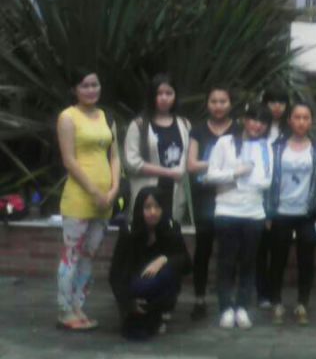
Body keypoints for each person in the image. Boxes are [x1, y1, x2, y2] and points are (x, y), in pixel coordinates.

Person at [56, 69, 121, 331]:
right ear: (75, 89)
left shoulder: (107, 116)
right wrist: (94, 191)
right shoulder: (68, 117)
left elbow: (114, 156)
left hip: (105, 199)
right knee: (72, 255)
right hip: (80, 198)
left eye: (95, 84)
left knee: (89, 255)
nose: (91, 90)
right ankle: (65, 310)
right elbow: (69, 160)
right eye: (85, 85)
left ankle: (78, 305)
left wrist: (114, 189)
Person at [206, 103, 273, 330]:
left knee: (248, 262)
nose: (257, 125)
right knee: (226, 262)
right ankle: (226, 307)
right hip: (227, 210)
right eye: (253, 119)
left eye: (263, 122)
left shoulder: (267, 146)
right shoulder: (225, 143)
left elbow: (267, 180)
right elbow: (211, 175)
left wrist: (251, 179)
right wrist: (236, 172)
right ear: (244, 120)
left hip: (254, 213)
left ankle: (242, 306)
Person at [266, 101, 316, 326]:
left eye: (306, 118)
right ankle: (276, 302)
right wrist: (268, 212)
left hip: (308, 212)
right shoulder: (276, 148)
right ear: (289, 120)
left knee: (306, 260)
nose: (301, 122)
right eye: (297, 117)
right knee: (278, 259)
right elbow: (268, 181)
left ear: (311, 121)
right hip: (281, 211)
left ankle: (302, 303)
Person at [109, 187, 188, 340]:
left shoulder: (171, 227)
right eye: (147, 207)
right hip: (134, 284)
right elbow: (115, 273)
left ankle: (159, 311)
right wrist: (127, 302)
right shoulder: (129, 231)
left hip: (160, 284)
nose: (153, 212)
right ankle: (138, 313)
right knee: (135, 331)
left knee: (168, 269)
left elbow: (186, 262)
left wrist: (163, 259)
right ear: (140, 209)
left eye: (157, 207)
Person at [186, 85, 236, 320]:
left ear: (230, 104)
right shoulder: (197, 130)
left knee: (229, 249)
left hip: (231, 196)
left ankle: (228, 298)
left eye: (223, 101)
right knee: (203, 249)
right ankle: (199, 298)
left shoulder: (239, 130)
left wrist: (210, 164)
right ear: (207, 104)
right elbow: (191, 165)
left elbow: (242, 162)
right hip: (204, 197)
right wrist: (221, 163)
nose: (218, 106)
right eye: (214, 101)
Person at [123, 74, 191, 224]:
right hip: (147, 193)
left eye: (169, 93)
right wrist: (168, 172)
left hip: (175, 193)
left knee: (171, 232)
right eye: (159, 93)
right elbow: (131, 162)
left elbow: (188, 158)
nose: (164, 98)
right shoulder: (139, 125)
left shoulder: (184, 124)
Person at [256, 87, 290, 308]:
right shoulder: (258, 127)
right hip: (258, 196)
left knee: (280, 248)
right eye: (272, 102)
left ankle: (275, 290)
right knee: (260, 248)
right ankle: (262, 292)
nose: (277, 107)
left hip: (285, 197)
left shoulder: (291, 128)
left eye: (282, 102)